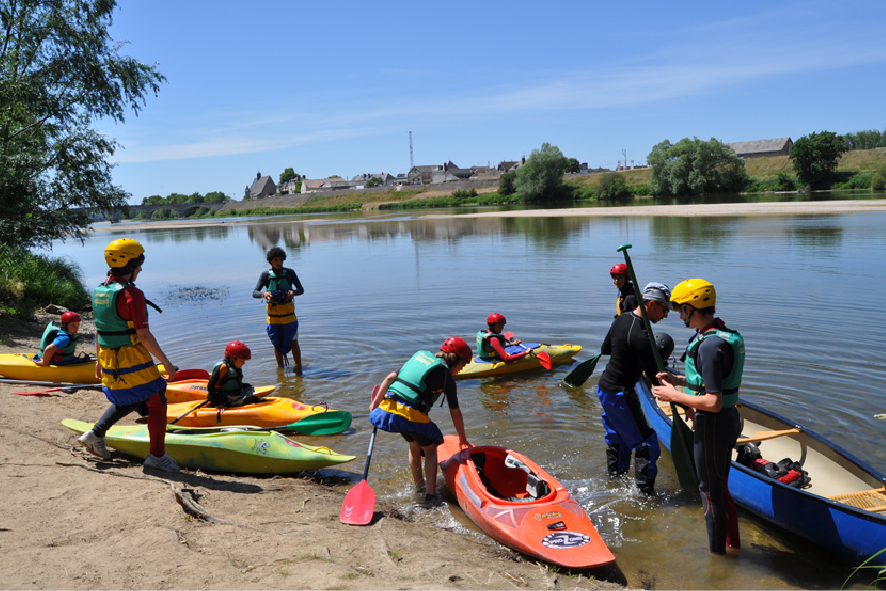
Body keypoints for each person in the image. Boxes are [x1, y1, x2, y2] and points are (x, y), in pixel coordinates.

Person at [653, 278, 744, 556]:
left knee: (708, 492)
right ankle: (733, 545)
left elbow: (712, 402)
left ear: (692, 308)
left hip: (713, 424)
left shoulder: (708, 345)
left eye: (681, 309)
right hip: (730, 420)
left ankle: (718, 561)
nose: (679, 315)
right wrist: (677, 379)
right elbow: (712, 384)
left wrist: (673, 396)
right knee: (720, 487)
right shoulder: (722, 336)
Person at [77, 238, 181, 473]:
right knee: (156, 399)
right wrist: (168, 365)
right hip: (131, 358)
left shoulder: (99, 291)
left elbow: (99, 328)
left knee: (134, 397)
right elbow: (144, 336)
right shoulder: (132, 294)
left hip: (109, 358)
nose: (141, 269)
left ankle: (95, 434)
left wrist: (98, 360)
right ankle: (157, 456)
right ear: (131, 265)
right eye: (139, 265)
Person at [369, 337, 473, 506]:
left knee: (415, 446)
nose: (461, 370)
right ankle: (430, 496)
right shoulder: (446, 376)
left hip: (390, 407)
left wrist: (375, 403)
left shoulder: (419, 356)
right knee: (431, 448)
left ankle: (419, 487)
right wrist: (462, 439)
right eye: (462, 365)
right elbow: (455, 413)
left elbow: (389, 378)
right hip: (410, 413)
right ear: (454, 358)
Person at [596, 282, 672, 494]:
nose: (666, 315)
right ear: (652, 304)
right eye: (665, 309)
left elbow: (605, 349)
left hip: (604, 387)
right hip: (621, 394)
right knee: (647, 443)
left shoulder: (622, 319)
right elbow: (656, 379)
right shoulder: (642, 337)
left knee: (617, 438)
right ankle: (646, 497)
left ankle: (615, 483)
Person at [253, 247, 304, 374]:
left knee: (294, 341)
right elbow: (255, 292)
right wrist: (263, 294)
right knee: (276, 343)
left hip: (289, 316)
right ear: (270, 261)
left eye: (281, 259)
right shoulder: (265, 275)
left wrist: (294, 292)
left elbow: (301, 289)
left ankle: (298, 368)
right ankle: (281, 369)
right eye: (276, 259)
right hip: (274, 317)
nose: (279, 262)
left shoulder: (289, 273)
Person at [207, 341, 261, 408]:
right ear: (232, 358)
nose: (243, 363)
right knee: (254, 400)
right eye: (242, 361)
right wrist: (217, 404)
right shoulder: (223, 368)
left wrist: (243, 385)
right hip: (225, 399)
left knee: (255, 396)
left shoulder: (236, 367)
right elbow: (210, 386)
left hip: (235, 395)